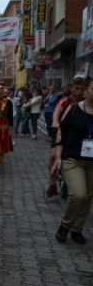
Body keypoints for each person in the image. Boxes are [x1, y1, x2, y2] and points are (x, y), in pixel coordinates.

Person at [53, 76, 93, 245]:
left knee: (88, 198)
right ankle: (65, 226)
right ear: (86, 90)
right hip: (72, 159)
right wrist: (57, 157)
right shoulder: (74, 108)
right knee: (78, 194)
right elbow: (62, 133)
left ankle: (77, 229)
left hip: (92, 162)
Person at [47, 76, 85, 198]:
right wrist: (55, 123)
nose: (80, 91)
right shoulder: (65, 100)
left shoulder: (87, 101)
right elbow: (57, 111)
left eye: (82, 89)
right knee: (53, 156)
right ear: (71, 87)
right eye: (77, 88)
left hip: (79, 134)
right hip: (62, 132)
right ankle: (52, 184)